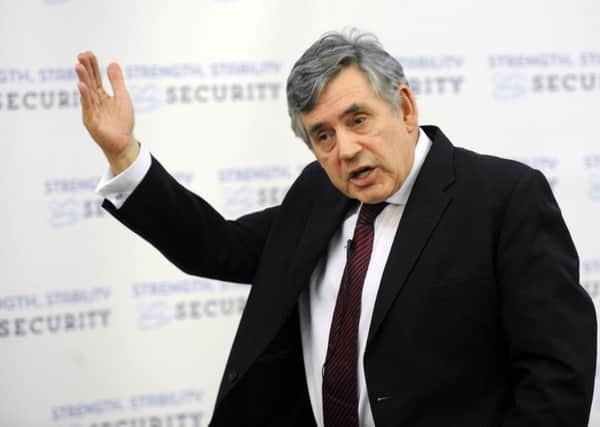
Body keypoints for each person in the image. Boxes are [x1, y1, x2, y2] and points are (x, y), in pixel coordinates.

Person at [76, 30, 596, 427]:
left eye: (358, 120)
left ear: (405, 107)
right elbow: (221, 247)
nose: (344, 150)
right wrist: (124, 154)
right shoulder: (318, 193)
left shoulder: (502, 197)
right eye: (322, 135)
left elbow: (556, 374)